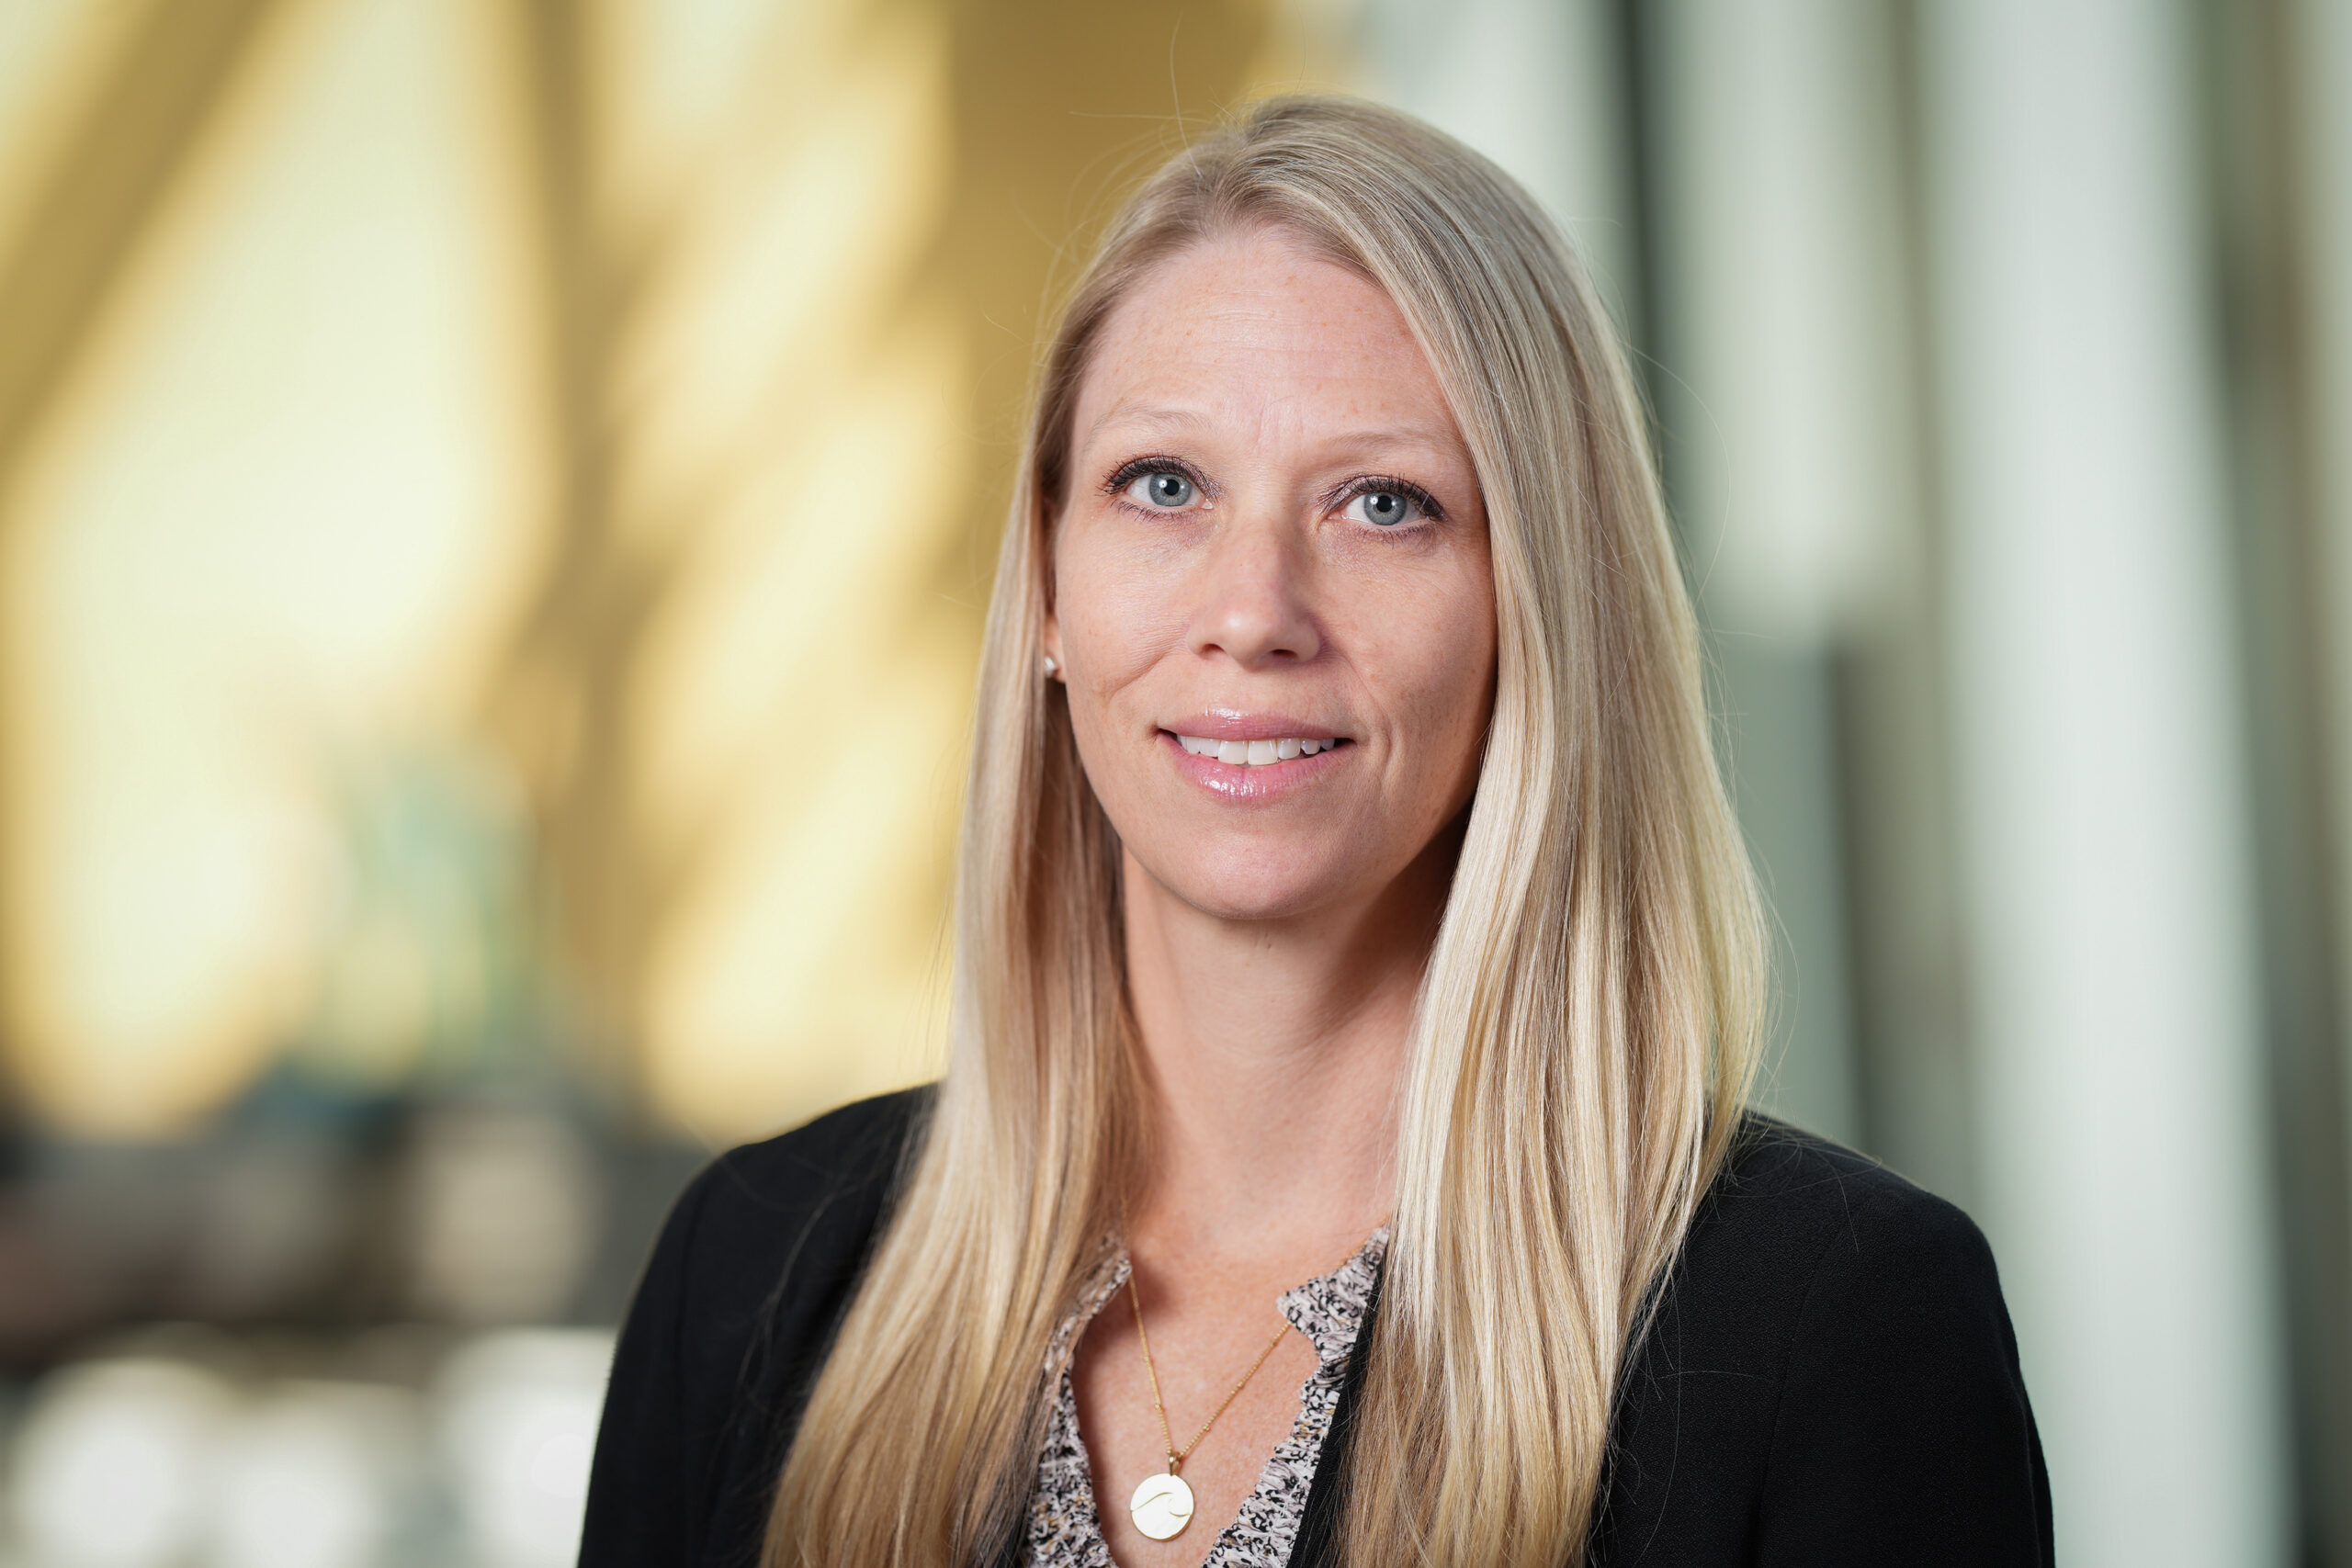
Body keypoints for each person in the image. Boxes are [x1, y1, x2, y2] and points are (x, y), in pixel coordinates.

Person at [578, 95, 2052, 1568]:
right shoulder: (750, 1272)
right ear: (1044, 585)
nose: (1252, 615)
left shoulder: (1835, 1321)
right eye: (1164, 487)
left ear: (1538, 609)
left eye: (1383, 504)